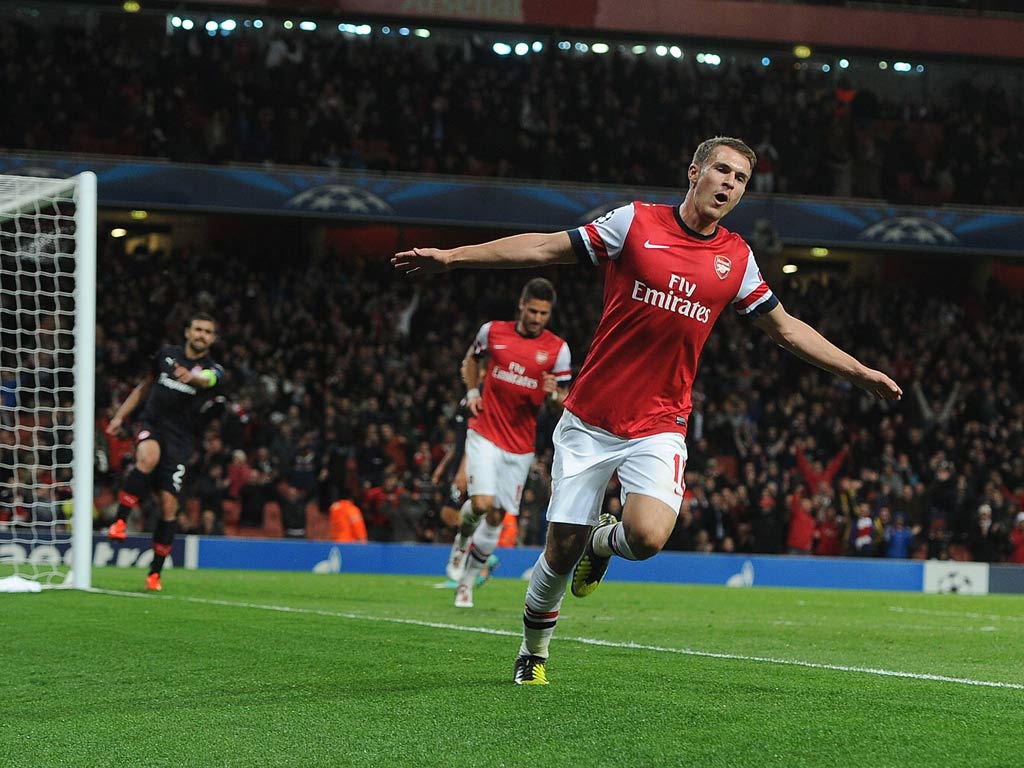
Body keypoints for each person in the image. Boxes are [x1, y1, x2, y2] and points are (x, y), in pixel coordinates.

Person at [393, 136, 902, 685]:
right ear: (694, 173)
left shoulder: (736, 260)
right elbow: (545, 248)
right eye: (722, 171)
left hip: (660, 423)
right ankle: (533, 652)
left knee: (649, 536)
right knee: (558, 554)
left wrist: (858, 371)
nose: (729, 185)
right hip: (590, 419)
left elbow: (785, 329)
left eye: (740, 180)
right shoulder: (634, 224)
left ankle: (600, 542)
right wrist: (453, 257)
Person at [446, 278, 572, 608]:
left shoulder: (557, 350)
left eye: (543, 313)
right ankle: (461, 540)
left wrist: (553, 396)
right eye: (532, 310)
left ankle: (468, 583)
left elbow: (565, 399)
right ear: (521, 305)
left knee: (498, 517)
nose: (536, 318)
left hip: (520, 446)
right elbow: (472, 360)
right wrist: (472, 391)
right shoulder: (493, 332)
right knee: (484, 503)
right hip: (486, 432)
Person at [105, 312, 225, 592]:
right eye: (197, 329)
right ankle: (120, 521)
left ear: (213, 338)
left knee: (169, 507)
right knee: (147, 457)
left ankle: (154, 574)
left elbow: (207, 380)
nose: (201, 335)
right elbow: (144, 387)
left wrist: (193, 378)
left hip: (181, 440)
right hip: (153, 424)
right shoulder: (166, 356)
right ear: (187, 331)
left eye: (207, 332)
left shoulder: (214, 369)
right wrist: (120, 417)